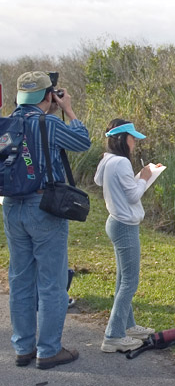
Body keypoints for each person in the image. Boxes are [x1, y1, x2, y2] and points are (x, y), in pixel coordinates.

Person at [3, 71, 90, 369]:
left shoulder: (7, 123)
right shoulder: (49, 122)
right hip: (44, 207)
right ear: (48, 96)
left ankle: (23, 348)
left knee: (20, 278)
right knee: (52, 283)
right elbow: (82, 142)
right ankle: (49, 350)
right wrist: (68, 110)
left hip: (12, 207)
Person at [94, 119, 157, 352]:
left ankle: (127, 326)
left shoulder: (107, 160)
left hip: (115, 222)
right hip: (125, 226)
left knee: (123, 278)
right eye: (132, 139)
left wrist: (138, 177)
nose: (134, 143)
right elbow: (133, 196)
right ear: (122, 139)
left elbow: (98, 181)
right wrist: (144, 177)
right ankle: (113, 336)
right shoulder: (120, 162)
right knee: (130, 281)